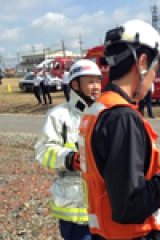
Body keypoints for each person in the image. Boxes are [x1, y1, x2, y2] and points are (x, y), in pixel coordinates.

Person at [79, 19, 160, 240]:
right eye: (157, 69)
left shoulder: (99, 109)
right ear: (142, 62)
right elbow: (130, 206)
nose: (155, 77)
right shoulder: (122, 118)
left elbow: (118, 177)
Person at [35, 59, 102, 240]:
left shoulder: (105, 114)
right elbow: (42, 151)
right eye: (90, 82)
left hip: (105, 209)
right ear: (75, 84)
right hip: (75, 208)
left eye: (98, 81)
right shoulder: (59, 116)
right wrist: (69, 159)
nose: (96, 87)